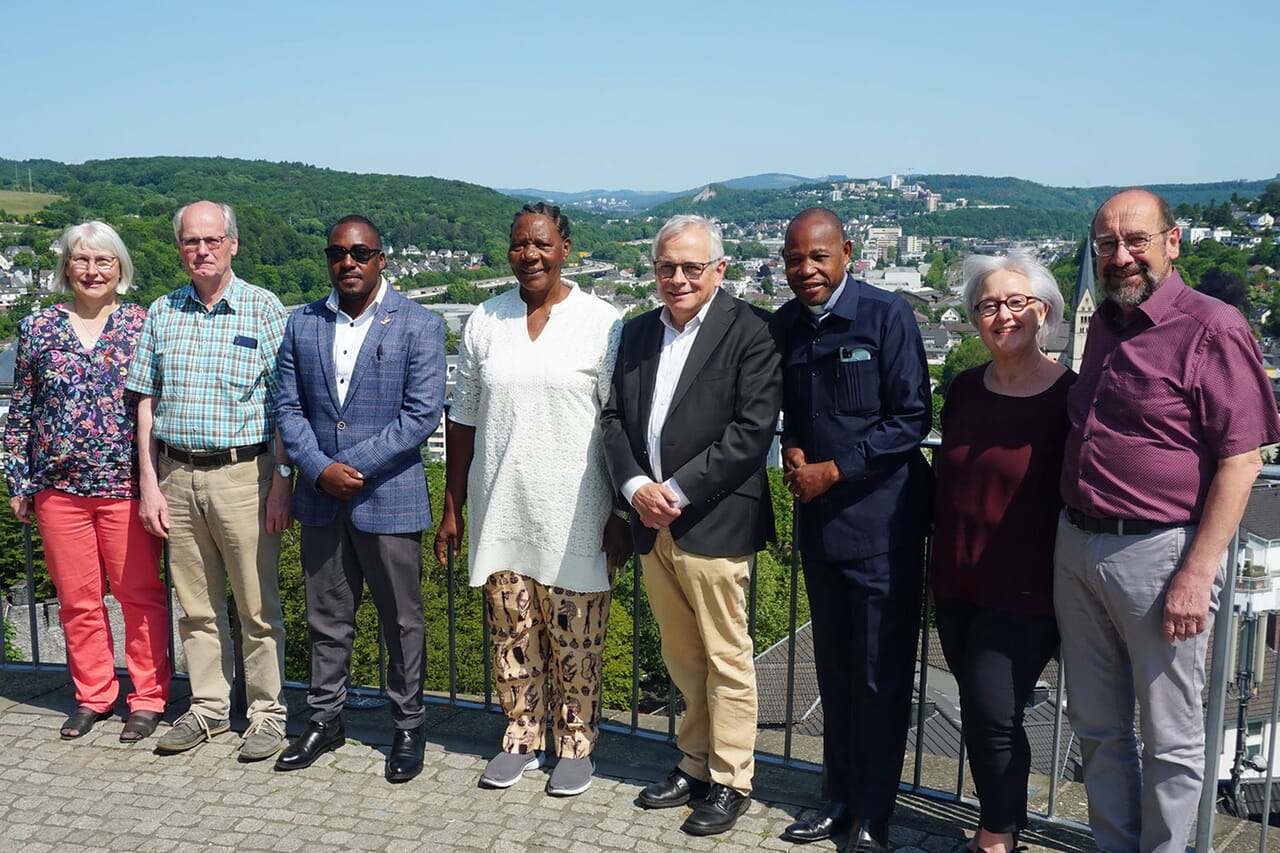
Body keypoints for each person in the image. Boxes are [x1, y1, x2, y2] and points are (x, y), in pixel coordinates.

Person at [1055, 188, 1280, 853]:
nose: (1120, 256)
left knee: (1171, 735)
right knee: (1096, 725)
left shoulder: (1213, 326)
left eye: (1135, 241)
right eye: (1106, 244)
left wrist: (1196, 572)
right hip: (1078, 543)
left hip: (1159, 555)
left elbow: (1241, 460)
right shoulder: (1103, 322)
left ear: (1172, 242)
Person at [433, 203, 628, 798]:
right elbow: (463, 418)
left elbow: (619, 422)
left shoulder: (603, 321)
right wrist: (453, 505)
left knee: (577, 639)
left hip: (577, 510)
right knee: (513, 633)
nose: (530, 255)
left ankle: (576, 742)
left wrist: (620, 511)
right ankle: (519, 736)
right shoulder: (485, 321)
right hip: (503, 507)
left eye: (541, 244)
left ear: (567, 248)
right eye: (519, 244)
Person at [601, 214, 781, 837]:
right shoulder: (637, 332)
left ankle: (732, 779)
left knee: (726, 657)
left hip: (714, 519)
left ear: (719, 270)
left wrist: (671, 491)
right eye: (665, 267)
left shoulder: (752, 331)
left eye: (690, 267)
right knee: (682, 655)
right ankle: (695, 764)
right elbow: (613, 419)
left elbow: (751, 433)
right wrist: (633, 489)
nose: (677, 278)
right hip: (651, 521)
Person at [770, 207, 931, 853]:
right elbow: (793, 416)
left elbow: (912, 416)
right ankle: (836, 798)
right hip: (822, 529)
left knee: (877, 677)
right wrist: (791, 448)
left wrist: (835, 469)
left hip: (883, 530)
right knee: (835, 673)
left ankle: (874, 810)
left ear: (848, 254)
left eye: (818, 257)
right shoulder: (784, 326)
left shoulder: (888, 316)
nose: (805, 270)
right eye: (793, 259)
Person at [274, 215, 445, 782]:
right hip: (322, 497)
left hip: (389, 495)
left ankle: (408, 725)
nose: (348, 262)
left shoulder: (420, 323)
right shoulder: (301, 323)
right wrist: (321, 469)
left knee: (401, 619)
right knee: (326, 616)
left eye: (361, 253)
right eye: (337, 253)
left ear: (381, 258)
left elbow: (420, 416)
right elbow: (288, 409)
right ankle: (326, 720)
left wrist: (354, 467)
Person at [127, 200, 294, 761]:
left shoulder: (264, 309)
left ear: (233, 244)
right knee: (195, 606)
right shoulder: (162, 311)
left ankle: (268, 714)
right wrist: (149, 483)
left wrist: (282, 482)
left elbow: (284, 407)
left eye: (212, 240)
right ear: (180, 248)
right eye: (191, 242)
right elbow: (145, 402)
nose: (202, 250)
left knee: (255, 605)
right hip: (176, 474)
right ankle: (208, 709)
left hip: (245, 475)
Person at [3, 221, 171, 743]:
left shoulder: (143, 325)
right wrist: (18, 480)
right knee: (78, 600)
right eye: (81, 260)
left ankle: (148, 698)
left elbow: (158, 406)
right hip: (58, 488)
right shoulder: (38, 328)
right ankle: (94, 696)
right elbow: (22, 409)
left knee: (139, 594)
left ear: (120, 269)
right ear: (65, 268)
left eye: (103, 261)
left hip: (124, 485)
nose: (92, 270)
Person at [931, 251, 1072, 853]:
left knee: (993, 712)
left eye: (1016, 302)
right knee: (979, 707)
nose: (1003, 315)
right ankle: (1000, 823)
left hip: (1025, 588)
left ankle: (997, 836)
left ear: (1043, 311)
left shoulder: (1072, 396)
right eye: (988, 305)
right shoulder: (964, 389)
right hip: (956, 580)